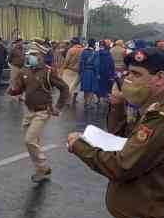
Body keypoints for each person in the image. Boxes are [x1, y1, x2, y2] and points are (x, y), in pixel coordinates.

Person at [67, 47, 164, 218]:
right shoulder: (152, 110)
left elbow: (122, 164)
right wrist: (117, 106)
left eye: (136, 74)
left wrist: (79, 147)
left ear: (159, 78)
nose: (128, 80)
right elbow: (123, 142)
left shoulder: (162, 118)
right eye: (128, 74)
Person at [6, 39, 69, 182]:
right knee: (32, 142)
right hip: (28, 111)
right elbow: (20, 89)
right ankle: (42, 169)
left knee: (29, 140)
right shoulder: (25, 71)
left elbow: (64, 88)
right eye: (30, 54)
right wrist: (12, 91)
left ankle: (42, 165)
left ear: (40, 56)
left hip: (42, 112)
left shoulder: (48, 72)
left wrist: (58, 107)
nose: (31, 57)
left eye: (34, 54)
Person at [62, 37, 84, 105]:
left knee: (67, 86)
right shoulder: (83, 50)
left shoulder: (71, 50)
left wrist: (64, 67)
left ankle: (67, 101)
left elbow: (67, 60)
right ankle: (74, 100)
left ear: (72, 43)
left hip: (69, 70)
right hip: (78, 71)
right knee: (75, 86)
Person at [79, 39, 98, 108]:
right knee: (92, 88)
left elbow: (81, 62)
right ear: (94, 44)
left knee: (86, 88)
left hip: (85, 71)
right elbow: (96, 64)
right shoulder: (96, 53)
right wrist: (97, 73)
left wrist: (81, 71)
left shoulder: (83, 51)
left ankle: (86, 101)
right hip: (92, 72)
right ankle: (88, 103)